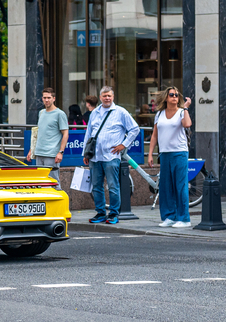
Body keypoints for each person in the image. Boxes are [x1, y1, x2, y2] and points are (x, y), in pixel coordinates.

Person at [83, 86, 139, 225]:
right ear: (100, 97)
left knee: (113, 186)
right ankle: (101, 213)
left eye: (109, 96)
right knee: (96, 187)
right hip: (95, 156)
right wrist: (85, 153)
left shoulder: (120, 112)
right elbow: (88, 134)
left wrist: (124, 144)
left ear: (113, 97)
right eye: (104, 96)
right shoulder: (94, 112)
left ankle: (114, 214)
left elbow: (134, 129)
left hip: (111, 156)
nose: (107, 98)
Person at [147, 87, 193, 228]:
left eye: (177, 95)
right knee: (166, 187)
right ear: (166, 97)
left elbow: (187, 124)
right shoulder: (159, 114)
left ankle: (184, 218)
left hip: (179, 152)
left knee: (180, 186)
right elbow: (155, 135)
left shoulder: (181, 112)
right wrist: (150, 154)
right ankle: (169, 217)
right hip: (165, 153)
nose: (174, 97)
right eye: (171, 95)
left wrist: (185, 108)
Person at [27, 88, 69, 190]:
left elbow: (65, 133)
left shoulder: (60, 114)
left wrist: (61, 152)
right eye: (45, 98)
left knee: (53, 182)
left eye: (49, 98)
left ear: (54, 98)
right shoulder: (41, 112)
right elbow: (38, 133)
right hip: (39, 153)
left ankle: (59, 204)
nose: (47, 100)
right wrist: (31, 150)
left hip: (52, 154)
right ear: (42, 99)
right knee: (40, 182)